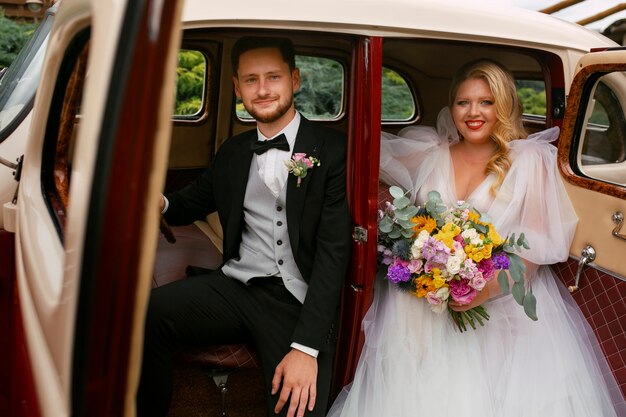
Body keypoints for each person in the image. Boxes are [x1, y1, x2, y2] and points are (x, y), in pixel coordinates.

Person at [327, 59, 626, 417]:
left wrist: (479, 291)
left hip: (500, 304)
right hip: (424, 305)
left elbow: (532, 255)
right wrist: (415, 248)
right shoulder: (430, 153)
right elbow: (364, 159)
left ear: (505, 105)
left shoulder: (528, 161)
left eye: (486, 101)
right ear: (451, 107)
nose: (473, 112)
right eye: (463, 102)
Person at [137, 36, 351, 417]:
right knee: (146, 316)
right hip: (235, 286)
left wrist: (306, 348)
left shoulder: (331, 152)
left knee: (297, 407)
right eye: (251, 80)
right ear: (237, 87)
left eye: (273, 77)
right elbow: (192, 201)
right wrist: (162, 203)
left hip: (295, 301)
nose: (263, 89)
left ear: (295, 80)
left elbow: (334, 253)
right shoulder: (234, 152)